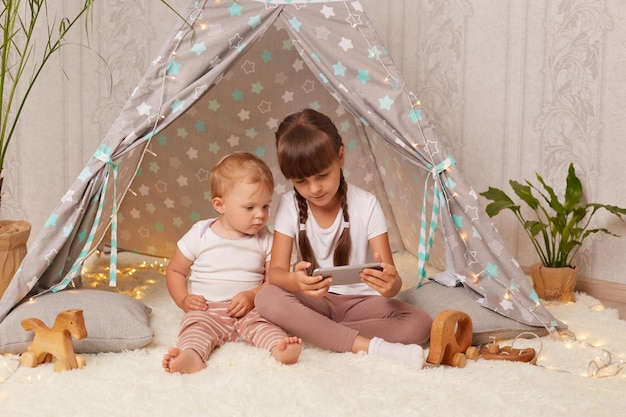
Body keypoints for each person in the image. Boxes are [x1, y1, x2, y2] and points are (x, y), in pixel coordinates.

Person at [255, 109, 433, 370]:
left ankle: (321, 332)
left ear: (340, 157)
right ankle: (372, 347)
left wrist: (389, 284)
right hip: (315, 300)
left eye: (322, 176)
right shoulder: (290, 205)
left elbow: (392, 281)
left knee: (420, 324)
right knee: (266, 297)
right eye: (302, 181)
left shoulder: (367, 204)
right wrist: (295, 280)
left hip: (361, 303)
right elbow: (276, 273)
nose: (314, 189)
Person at [162, 152, 302, 374]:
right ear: (220, 205)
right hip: (207, 309)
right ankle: (192, 356)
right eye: (250, 207)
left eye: (265, 206)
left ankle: (280, 348)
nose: (260, 215)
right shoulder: (201, 233)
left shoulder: (266, 239)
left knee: (265, 324)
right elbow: (176, 270)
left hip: (250, 310)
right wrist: (183, 299)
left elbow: (274, 279)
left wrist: (253, 295)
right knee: (195, 327)